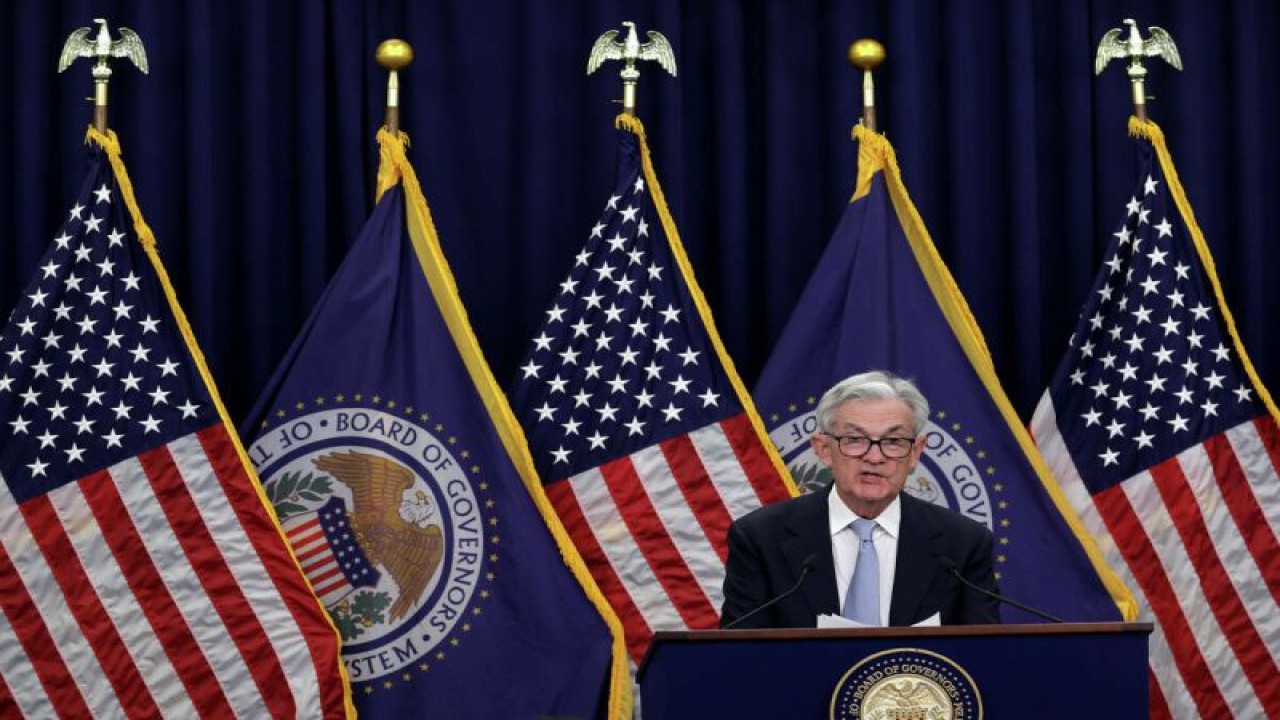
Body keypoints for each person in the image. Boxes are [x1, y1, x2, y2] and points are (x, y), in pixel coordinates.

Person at [720, 370, 1001, 628]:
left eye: (893, 442)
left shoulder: (963, 543)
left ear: (915, 453)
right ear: (823, 449)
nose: (874, 457)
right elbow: (740, 652)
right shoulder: (761, 538)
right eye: (855, 440)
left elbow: (983, 652)